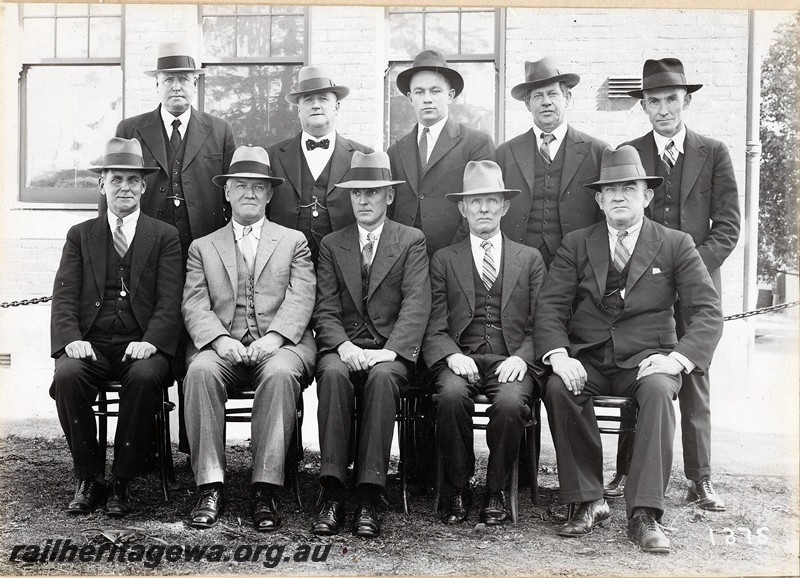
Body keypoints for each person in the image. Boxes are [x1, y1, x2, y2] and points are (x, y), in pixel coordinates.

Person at [535, 145, 723, 553]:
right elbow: (550, 306)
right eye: (610, 190)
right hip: (590, 356)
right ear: (599, 200)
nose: (619, 196)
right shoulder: (577, 243)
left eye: (629, 188)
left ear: (647, 195)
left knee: (658, 391)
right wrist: (560, 354)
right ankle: (588, 500)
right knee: (558, 386)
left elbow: (708, 311)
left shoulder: (676, 243)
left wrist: (676, 358)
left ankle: (644, 514)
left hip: (648, 359)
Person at [606, 58, 740, 510]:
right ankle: (627, 470)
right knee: (637, 365)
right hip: (640, 288)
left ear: (686, 100)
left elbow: (727, 226)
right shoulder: (629, 152)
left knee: (693, 375)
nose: (663, 109)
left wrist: (688, 270)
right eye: (653, 101)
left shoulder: (713, 151)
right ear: (643, 106)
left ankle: (700, 478)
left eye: (670, 99)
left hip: (695, 283)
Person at [181, 146, 316, 531]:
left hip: (281, 346)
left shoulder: (294, 242)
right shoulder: (202, 247)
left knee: (278, 376)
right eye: (240, 185)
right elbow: (194, 303)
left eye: (258, 187)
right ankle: (210, 485)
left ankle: (265, 489)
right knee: (201, 372)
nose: (249, 193)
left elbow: (302, 295)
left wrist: (273, 339)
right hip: (222, 345)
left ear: (270, 194)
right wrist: (220, 341)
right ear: (226, 192)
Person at [50, 137, 183, 517]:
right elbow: (63, 296)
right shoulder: (80, 235)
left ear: (143, 186)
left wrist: (153, 341)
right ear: (102, 184)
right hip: (91, 343)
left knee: (144, 377)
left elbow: (170, 300)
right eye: (116, 179)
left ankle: (122, 480)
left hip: (140, 345)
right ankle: (89, 478)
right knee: (68, 375)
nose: (124, 187)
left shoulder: (164, 236)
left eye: (132, 180)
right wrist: (71, 340)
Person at [312, 151, 431, 538]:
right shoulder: (332, 243)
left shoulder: (410, 240)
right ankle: (331, 490)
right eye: (357, 193)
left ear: (389, 197)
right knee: (330, 375)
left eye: (373, 192)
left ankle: (370, 494)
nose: (364, 200)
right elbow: (325, 306)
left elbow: (416, 303)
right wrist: (342, 346)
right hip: (344, 347)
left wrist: (392, 350)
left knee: (382, 380)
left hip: (388, 350)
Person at [423, 160, 545, 525]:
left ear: (505, 207)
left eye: (492, 201)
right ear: (463, 208)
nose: (484, 209)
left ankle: (495, 490)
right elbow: (433, 321)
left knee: (510, 404)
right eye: (475, 202)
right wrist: (449, 354)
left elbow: (545, 321)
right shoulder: (444, 259)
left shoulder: (530, 259)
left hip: (511, 361)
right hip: (463, 358)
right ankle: (458, 486)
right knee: (449, 396)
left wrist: (523, 358)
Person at [111, 41, 237, 262]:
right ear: (157, 85)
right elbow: (113, 190)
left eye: (184, 79)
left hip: (204, 245)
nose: (176, 87)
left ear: (195, 84)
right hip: (146, 245)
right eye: (168, 79)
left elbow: (232, 193)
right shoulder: (130, 129)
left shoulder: (220, 130)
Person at [496, 57, 607, 268]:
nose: (546, 101)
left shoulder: (597, 151)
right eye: (538, 96)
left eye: (553, 94)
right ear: (528, 104)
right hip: (519, 265)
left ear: (567, 98)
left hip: (578, 264)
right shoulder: (505, 154)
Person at [388, 49, 495, 256]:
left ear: (450, 95)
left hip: (458, 257)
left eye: (435, 91)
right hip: (405, 260)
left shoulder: (475, 142)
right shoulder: (395, 151)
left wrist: (453, 254)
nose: (427, 99)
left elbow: (484, 206)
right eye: (419, 92)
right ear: (410, 98)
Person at [267, 66, 374, 266]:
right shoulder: (272, 156)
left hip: (345, 266)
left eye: (323, 99)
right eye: (308, 100)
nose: (316, 105)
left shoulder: (363, 156)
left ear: (337, 107)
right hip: (284, 265)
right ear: (298, 109)